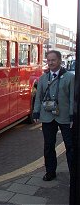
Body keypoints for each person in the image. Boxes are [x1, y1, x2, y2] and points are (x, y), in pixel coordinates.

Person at [33, 50, 74, 181]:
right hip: (47, 116)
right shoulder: (43, 78)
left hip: (64, 117)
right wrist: (36, 112)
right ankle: (50, 172)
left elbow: (73, 98)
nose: (50, 63)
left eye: (53, 60)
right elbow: (38, 97)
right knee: (49, 146)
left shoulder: (69, 77)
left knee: (70, 146)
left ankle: (73, 173)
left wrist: (73, 115)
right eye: (48, 60)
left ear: (60, 61)